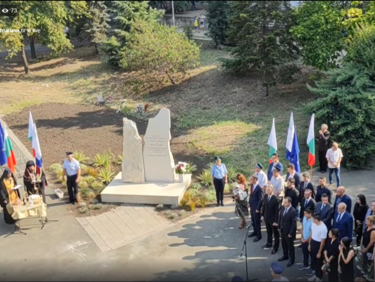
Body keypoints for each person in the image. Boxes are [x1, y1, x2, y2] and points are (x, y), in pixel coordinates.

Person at [260, 184, 280, 254]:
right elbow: (264, 207)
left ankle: (276, 247)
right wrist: (262, 215)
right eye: (266, 190)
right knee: (269, 232)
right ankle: (269, 243)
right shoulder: (265, 196)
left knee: (275, 234)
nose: (267, 191)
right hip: (266, 218)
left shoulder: (275, 199)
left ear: (272, 190)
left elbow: (277, 212)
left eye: (269, 190)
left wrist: (276, 221)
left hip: (273, 219)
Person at [307, 214, 327, 282]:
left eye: (313, 219)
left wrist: (319, 252)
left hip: (319, 245)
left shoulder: (323, 228)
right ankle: (315, 275)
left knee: (319, 262)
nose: (312, 220)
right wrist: (309, 244)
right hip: (313, 242)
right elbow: (311, 233)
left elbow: (323, 241)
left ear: (316, 219)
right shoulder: (314, 224)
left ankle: (319, 277)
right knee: (314, 261)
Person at [278, 197, 297, 267]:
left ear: (289, 203)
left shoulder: (293, 211)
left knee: (290, 246)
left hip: (289, 232)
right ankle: (285, 255)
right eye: (284, 202)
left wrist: (291, 233)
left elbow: (294, 223)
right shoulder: (283, 208)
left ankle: (292, 259)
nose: (284, 203)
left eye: (286, 202)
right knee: (283, 244)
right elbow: (280, 217)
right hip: (283, 230)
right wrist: (279, 227)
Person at [248, 174, 263, 242]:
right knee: (253, 220)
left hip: (256, 206)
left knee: (257, 221)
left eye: (251, 179)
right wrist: (249, 203)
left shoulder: (259, 188)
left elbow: (260, 199)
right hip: (252, 205)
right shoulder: (252, 185)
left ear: (255, 180)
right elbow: (251, 195)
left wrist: (258, 208)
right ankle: (255, 231)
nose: (250, 180)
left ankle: (259, 235)